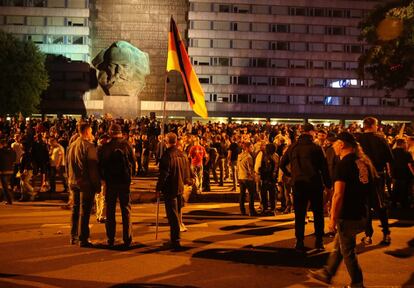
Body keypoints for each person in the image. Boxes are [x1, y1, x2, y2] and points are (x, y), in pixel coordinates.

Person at [309, 132, 371, 288]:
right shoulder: (361, 162)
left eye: (335, 143)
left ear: (342, 144)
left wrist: (332, 218)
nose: (333, 145)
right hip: (361, 211)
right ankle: (327, 273)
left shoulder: (343, 165)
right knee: (339, 245)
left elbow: (338, 194)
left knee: (347, 251)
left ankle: (357, 283)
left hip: (348, 214)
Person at [280, 123, 332, 252]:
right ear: (311, 132)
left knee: (299, 214)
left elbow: (282, 164)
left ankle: (299, 241)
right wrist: (328, 185)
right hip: (314, 183)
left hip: (298, 183)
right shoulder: (316, 148)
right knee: (318, 213)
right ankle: (319, 241)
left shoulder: (292, 147)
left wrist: (291, 175)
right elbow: (324, 168)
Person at [99, 124, 135, 247]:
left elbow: (101, 164)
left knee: (110, 211)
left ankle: (110, 238)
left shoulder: (106, 147)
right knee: (126, 210)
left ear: (110, 133)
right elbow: (133, 162)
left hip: (111, 182)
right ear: (120, 133)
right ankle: (127, 238)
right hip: (124, 182)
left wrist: (104, 178)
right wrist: (130, 177)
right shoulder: (127, 145)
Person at [358, 117, 393, 245]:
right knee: (380, 205)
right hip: (378, 175)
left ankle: (368, 235)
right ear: (373, 125)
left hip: (363, 176)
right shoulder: (381, 139)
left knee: (366, 206)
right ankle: (386, 233)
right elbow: (390, 158)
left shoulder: (358, 140)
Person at [156, 132, 192, 251]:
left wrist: (158, 188)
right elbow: (187, 171)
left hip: (170, 188)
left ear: (167, 142)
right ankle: (175, 238)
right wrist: (187, 180)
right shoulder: (183, 154)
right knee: (176, 213)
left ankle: (175, 240)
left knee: (173, 215)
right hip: (180, 187)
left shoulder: (166, 156)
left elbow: (163, 175)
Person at [67, 122, 101, 247]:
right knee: (84, 211)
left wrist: (69, 180)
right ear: (87, 132)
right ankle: (83, 238)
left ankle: (73, 236)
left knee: (75, 209)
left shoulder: (71, 146)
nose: (92, 134)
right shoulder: (89, 147)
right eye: (91, 131)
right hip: (85, 183)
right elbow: (92, 169)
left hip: (73, 181)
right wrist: (97, 185)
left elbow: (68, 165)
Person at [391, 138, 414, 208]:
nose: (406, 144)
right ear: (402, 144)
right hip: (405, 173)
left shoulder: (392, 152)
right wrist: (413, 173)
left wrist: (390, 172)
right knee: (404, 189)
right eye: (405, 143)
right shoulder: (406, 153)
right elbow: (409, 165)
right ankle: (404, 203)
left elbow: (388, 163)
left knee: (395, 188)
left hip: (395, 173)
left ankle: (394, 203)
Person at [237, 141, 257, 216]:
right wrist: (254, 177)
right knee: (251, 194)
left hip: (241, 177)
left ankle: (242, 210)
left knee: (242, 194)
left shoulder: (239, 155)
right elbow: (250, 169)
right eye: (251, 147)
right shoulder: (249, 157)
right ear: (247, 148)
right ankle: (251, 210)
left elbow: (238, 167)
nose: (253, 148)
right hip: (248, 178)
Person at [0, 139, 16, 204]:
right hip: (10, 170)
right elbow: (14, 159)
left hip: (3, 170)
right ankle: (2, 198)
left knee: (5, 186)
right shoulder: (12, 151)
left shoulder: (1, 151)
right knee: (5, 185)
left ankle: (9, 200)